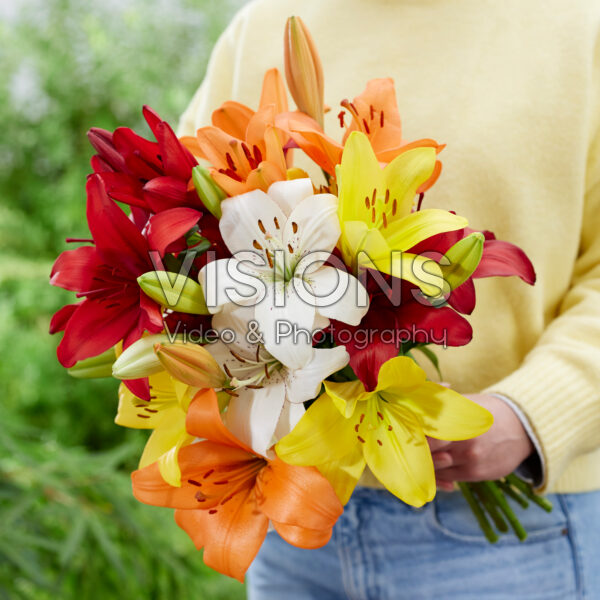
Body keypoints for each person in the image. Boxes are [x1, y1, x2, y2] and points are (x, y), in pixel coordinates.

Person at [178, 1, 600, 597]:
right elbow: (184, 226)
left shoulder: (579, 27)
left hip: (505, 537)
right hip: (291, 515)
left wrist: (530, 415)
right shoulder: (266, 22)